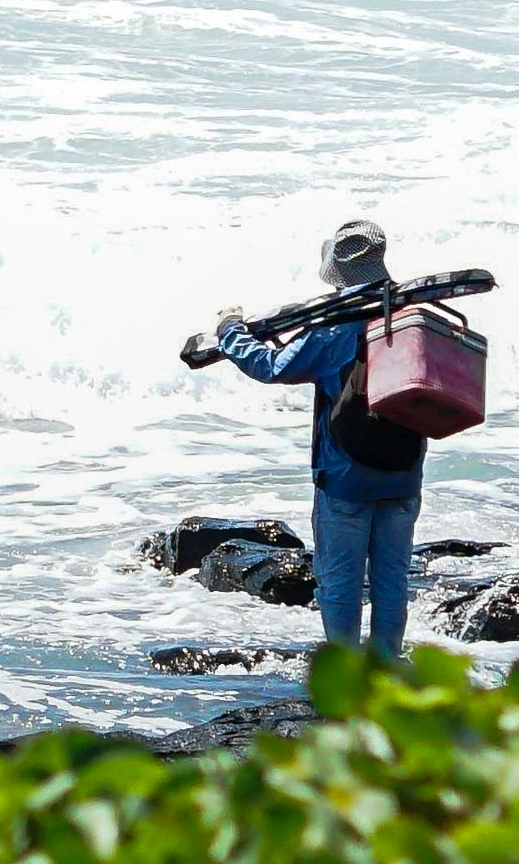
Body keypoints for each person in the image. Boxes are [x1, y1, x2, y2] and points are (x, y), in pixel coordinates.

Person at [177, 216, 434, 657]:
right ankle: (387, 668)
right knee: (392, 581)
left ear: (337, 270)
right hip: (404, 473)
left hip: (346, 478)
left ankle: (347, 674)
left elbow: (270, 366)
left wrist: (229, 329)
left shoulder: (334, 326)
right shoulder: (412, 315)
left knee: (340, 583)